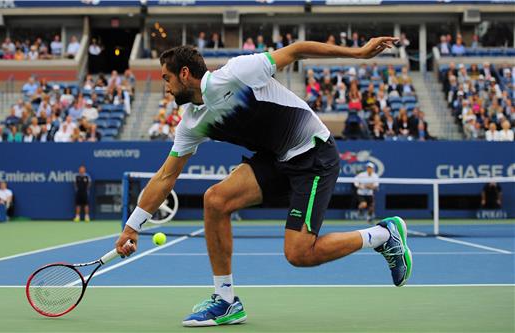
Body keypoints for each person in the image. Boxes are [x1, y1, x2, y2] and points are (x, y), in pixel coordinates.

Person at [113, 37, 411, 327]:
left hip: (313, 153)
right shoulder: (191, 122)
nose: (165, 87)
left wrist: (358, 54)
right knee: (215, 201)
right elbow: (166, 176)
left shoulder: (237, 73)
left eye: (167, 78)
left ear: (185, 74)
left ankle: (383, 235)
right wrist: (132, 226)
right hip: (277, 157)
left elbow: (297, 50)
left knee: (299, 254)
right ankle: (226, 300)